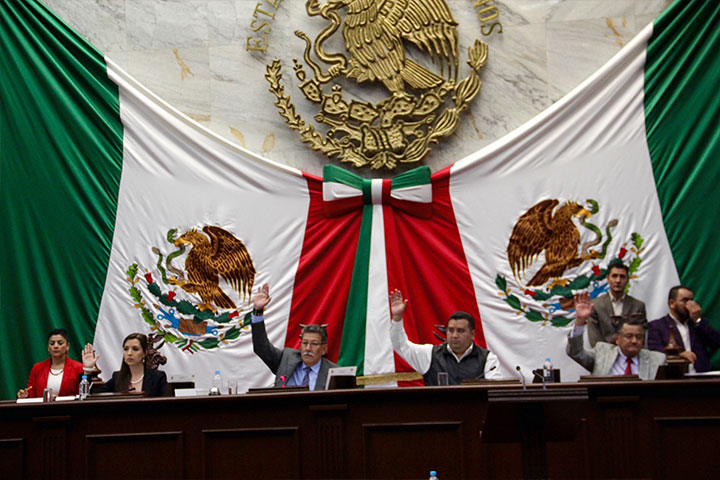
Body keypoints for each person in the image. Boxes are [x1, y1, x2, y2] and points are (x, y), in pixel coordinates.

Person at [388, 289, 502, 385]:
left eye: (460, 331)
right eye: (450, 330)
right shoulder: (430, 354)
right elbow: (400, 345)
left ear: (472, 334)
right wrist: (397, 317)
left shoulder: (488, 359)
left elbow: (494, 391)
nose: (454, 335)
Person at [251, 283, 338, 390]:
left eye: (314, 344)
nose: (308, 348)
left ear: (324, 349)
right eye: (305, 343)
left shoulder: (334, 373)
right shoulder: (286, 359)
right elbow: (261, 347)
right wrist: (258, 311)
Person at [567, 292, 665, 380]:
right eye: (629, 336)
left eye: (639, 337)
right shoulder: (602, 353)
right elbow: (575, 352)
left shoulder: (657, 360)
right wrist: (580, 321)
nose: (634, 341)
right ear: (617, 339)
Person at [647, 286, 720, 373]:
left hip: (701, 375)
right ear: (672, 303)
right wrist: (679, 356)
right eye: (685, 300)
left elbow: (716, 342)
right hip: (675, 376)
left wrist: (698, 321)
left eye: (691, 300)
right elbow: (655, 352)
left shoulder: (698, 323)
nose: (690, 304)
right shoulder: (657, 326)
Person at [17, 329, 99, 399]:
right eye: (52, 343)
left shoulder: (78, 368)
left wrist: (88, 369)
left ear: (67, 346)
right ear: (48, 348)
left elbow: (83, 395)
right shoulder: (37, 368)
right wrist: (25, 396)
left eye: (60, 343)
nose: (55, 346)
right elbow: (32, 395)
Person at [587, 260, 646, 346]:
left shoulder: (638, 306)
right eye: (614, 276)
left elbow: (641, 336)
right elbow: (594, 339)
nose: (618, 280)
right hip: (602, 352)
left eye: (622, 277)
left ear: (627, 280)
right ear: (608, 279)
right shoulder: (595, 305)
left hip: (630, 352)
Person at [93, 333, 168, 397]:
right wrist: (89, 368)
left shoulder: (157, 377)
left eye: (135, 349)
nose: (129, 353)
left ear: (144, 353)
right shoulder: (117, 377)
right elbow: (94, 394)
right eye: (126, 349)